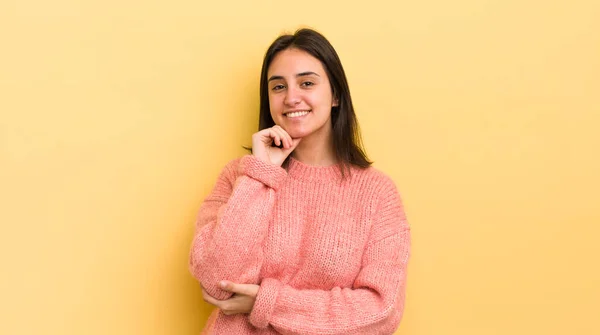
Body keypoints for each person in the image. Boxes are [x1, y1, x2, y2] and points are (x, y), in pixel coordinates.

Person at [188, 28, 411, 335]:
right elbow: (217, 281)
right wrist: (262, 174)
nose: (291, 98)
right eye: (278, 87)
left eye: (306, 83)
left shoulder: (377, 193)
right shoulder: (240, 176)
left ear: (335, 95)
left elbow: (380, 311)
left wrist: (264, 302)